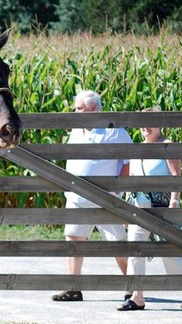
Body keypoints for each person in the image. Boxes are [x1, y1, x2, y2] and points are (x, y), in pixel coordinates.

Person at [52, 90, 132, 302]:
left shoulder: (115, 131)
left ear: (94, 109)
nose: (75, 112)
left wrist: (119, 192)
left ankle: (132, 287)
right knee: (73, 240)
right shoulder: (76, 131)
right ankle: (73, 288)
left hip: (106, 199)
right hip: (77, 198)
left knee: (118, 243)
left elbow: (128, 163)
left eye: (79, 109)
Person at [118, 107, 182, 310]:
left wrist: (174, 203)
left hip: (162, 206)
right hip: (139, 206)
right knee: (135, 250)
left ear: (160, 124)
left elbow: (176, 177)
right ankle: (137, 297)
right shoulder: (137, 148)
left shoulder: (167, 146)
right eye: (142, 122)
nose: (145, 126)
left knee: (169, 253)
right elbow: (132, 181)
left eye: (150, 122)